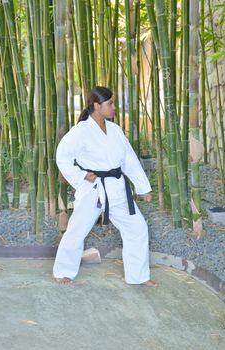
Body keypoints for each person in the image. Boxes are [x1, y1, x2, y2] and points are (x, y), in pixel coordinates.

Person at [53, 86, 157, 287]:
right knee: (76, 231)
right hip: (94, 190)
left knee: (137, 228)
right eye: (110, 103)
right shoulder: (81, 131)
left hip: (117, 188)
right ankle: (62, 271)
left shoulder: (115, 130)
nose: (114, 107)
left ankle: (138, 276)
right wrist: (82, 175)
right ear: (96, 105)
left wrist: (143, 187)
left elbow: (129, 160)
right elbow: (62, 156)